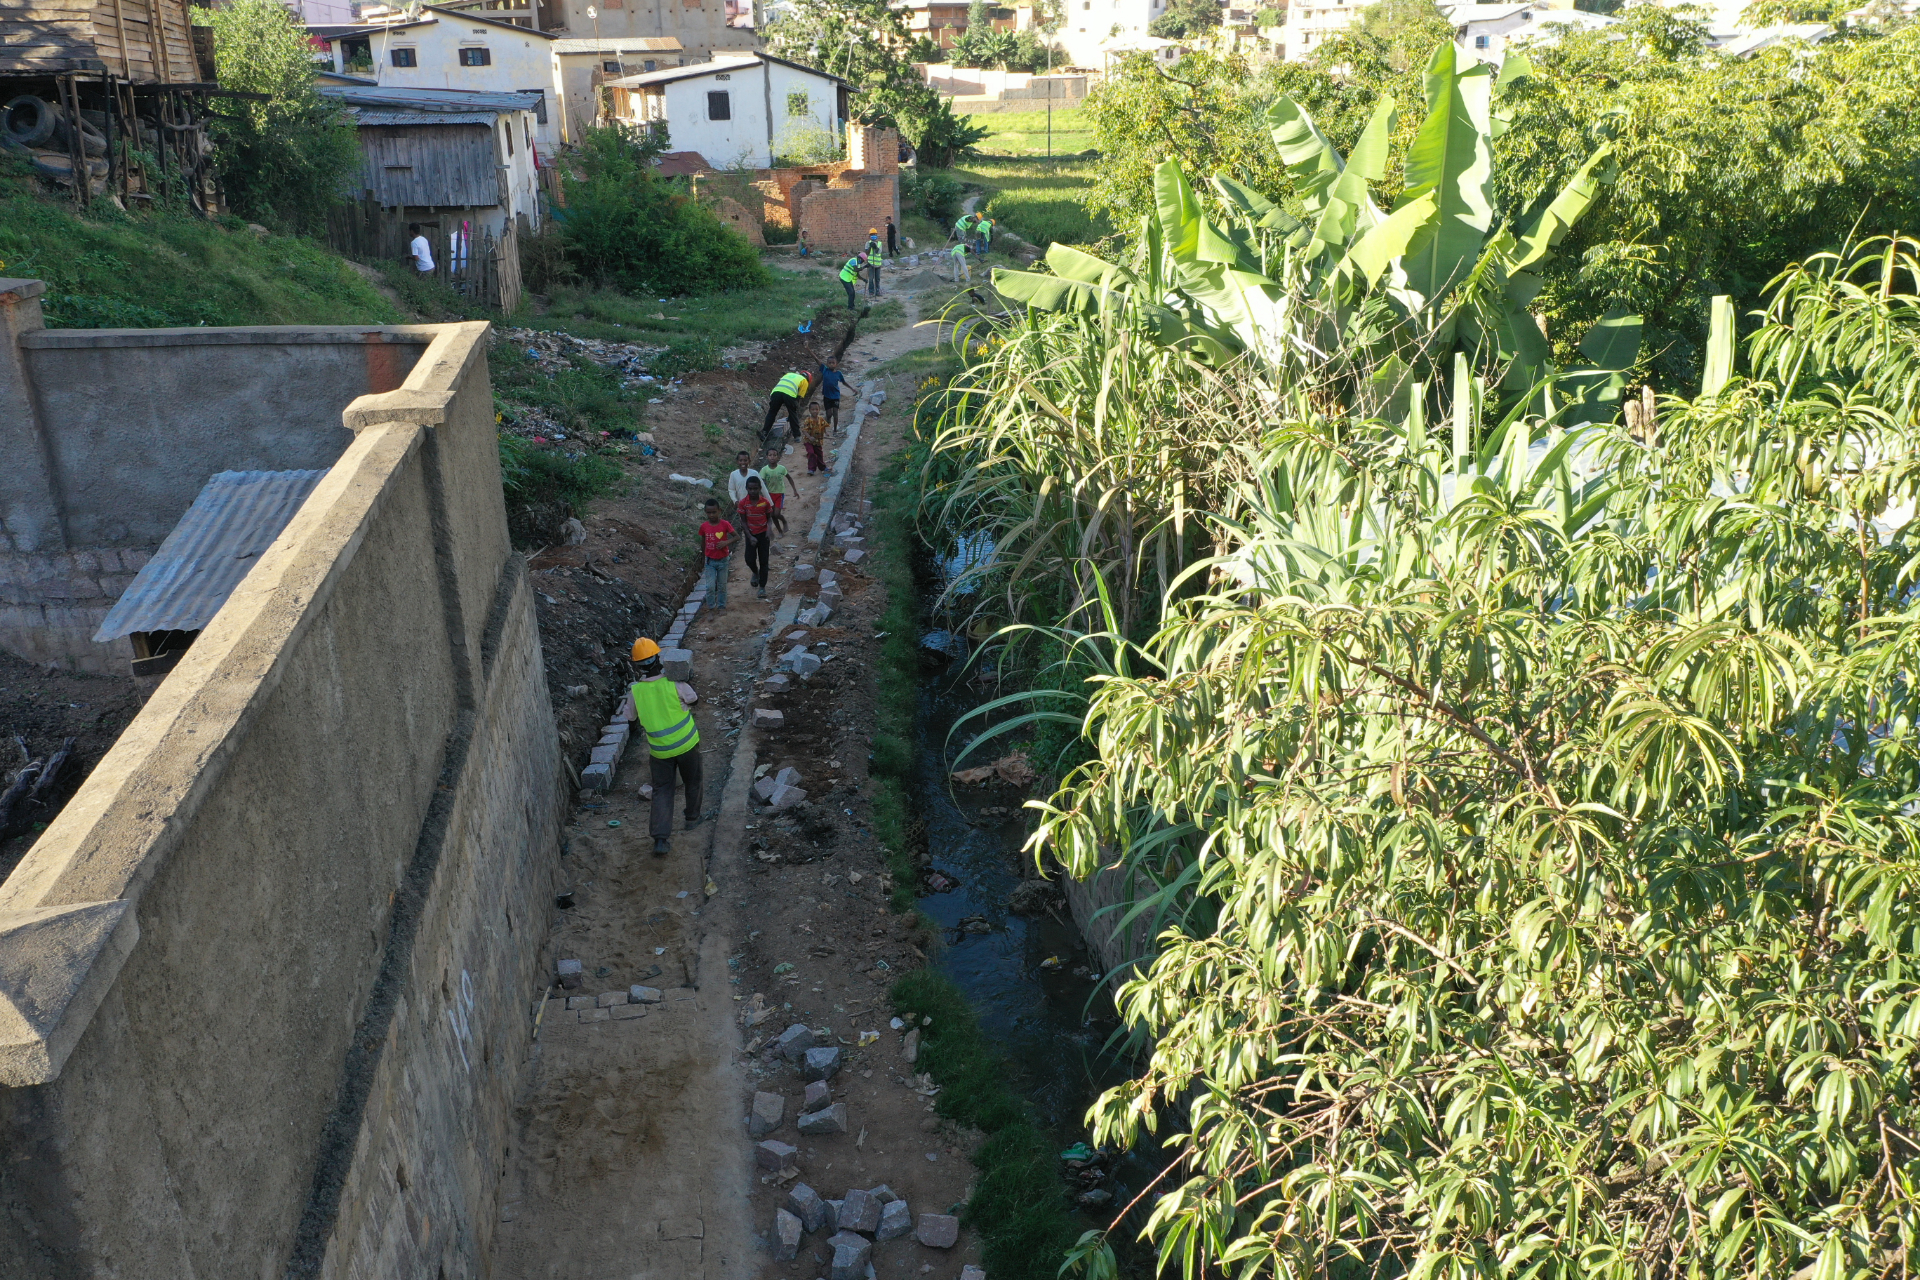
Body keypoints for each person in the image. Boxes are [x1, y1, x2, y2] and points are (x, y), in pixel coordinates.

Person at [628, 638, 702, 855]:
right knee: (693, 780)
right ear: (658, 658)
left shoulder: (636, 691)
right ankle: (692, 818)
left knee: (662, 790)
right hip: (687, 745)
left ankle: (660, 840)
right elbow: (694, 700)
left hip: (659, 752)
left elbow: (630, 717)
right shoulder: (674, 683)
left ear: (637, 665)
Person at [736, 476, 775, 598]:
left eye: (755, 489)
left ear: (759, 488)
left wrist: (769, 530)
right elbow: (743, 521)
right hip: (750, 534)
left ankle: (762, 587)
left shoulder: (765, 502)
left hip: (763, 534)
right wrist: (749, 536)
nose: (753, 491)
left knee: (764, 561)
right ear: (747, 489)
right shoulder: (743, 503)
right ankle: (755, 572)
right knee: (749, 559)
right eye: (750, 489)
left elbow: (769, 518)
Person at [698, 498, 732, 610]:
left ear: (719, 511)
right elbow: (703, 541)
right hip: (710, 561)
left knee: (722, 586)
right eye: (709, 512)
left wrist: (726, 542)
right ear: (705, 513)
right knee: (710, 587)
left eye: (714, 512)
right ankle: (711, 607)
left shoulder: (725, 524)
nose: (711, 515)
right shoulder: (704, 527)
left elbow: (737, 536)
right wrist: (703, 557)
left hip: (723, 560)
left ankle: (721, 606)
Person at [762, 370, 810, 441]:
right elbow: (799, 397)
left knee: (772, 412)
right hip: (789, 395)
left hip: (776, 392)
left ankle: (764, 432)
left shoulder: (789, 374)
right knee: (793, 414)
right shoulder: (804, 381)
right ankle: (797, 436)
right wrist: (794, 407)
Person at [760, 446, 790, 535]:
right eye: (770, 455)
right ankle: (780, 531)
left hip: (779, 493)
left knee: (777, 514)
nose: (772, 457)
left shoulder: (781, 468)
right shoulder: (764, 470)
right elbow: (760, 482)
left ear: (778, 457)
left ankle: (784, 521)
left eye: (774, 455)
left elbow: (789, 477)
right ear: (767, 457)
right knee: (772, 515)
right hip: (769, 495)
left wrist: (795, 490)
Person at [818, 357, 846, 433]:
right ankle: (827, 422)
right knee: (829, 414)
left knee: (835, 413)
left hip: (836, 396)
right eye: (829, 363)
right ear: (827, 364)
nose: (831, 364)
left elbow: (843, 382)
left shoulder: (838, 373)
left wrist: (852, 388)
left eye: (833, 363)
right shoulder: (824, 370)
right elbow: (817, 360)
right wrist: (808, 349)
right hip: (827, 396)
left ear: (836, 364)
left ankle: (835, 429)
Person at [803, 407, 829, 475]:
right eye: (813, 409)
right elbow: (804, 431)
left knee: (819, 454)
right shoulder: (807, 420)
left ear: (819, 410)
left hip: (818, 441)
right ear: (809, 410)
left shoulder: (821, 419)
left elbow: (823, 426)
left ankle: (822, 467)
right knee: (811, 453)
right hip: (808, 441)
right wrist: (809, 437)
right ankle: (811, 469)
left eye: (816, 409)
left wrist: (826, 433)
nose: (815, 411)